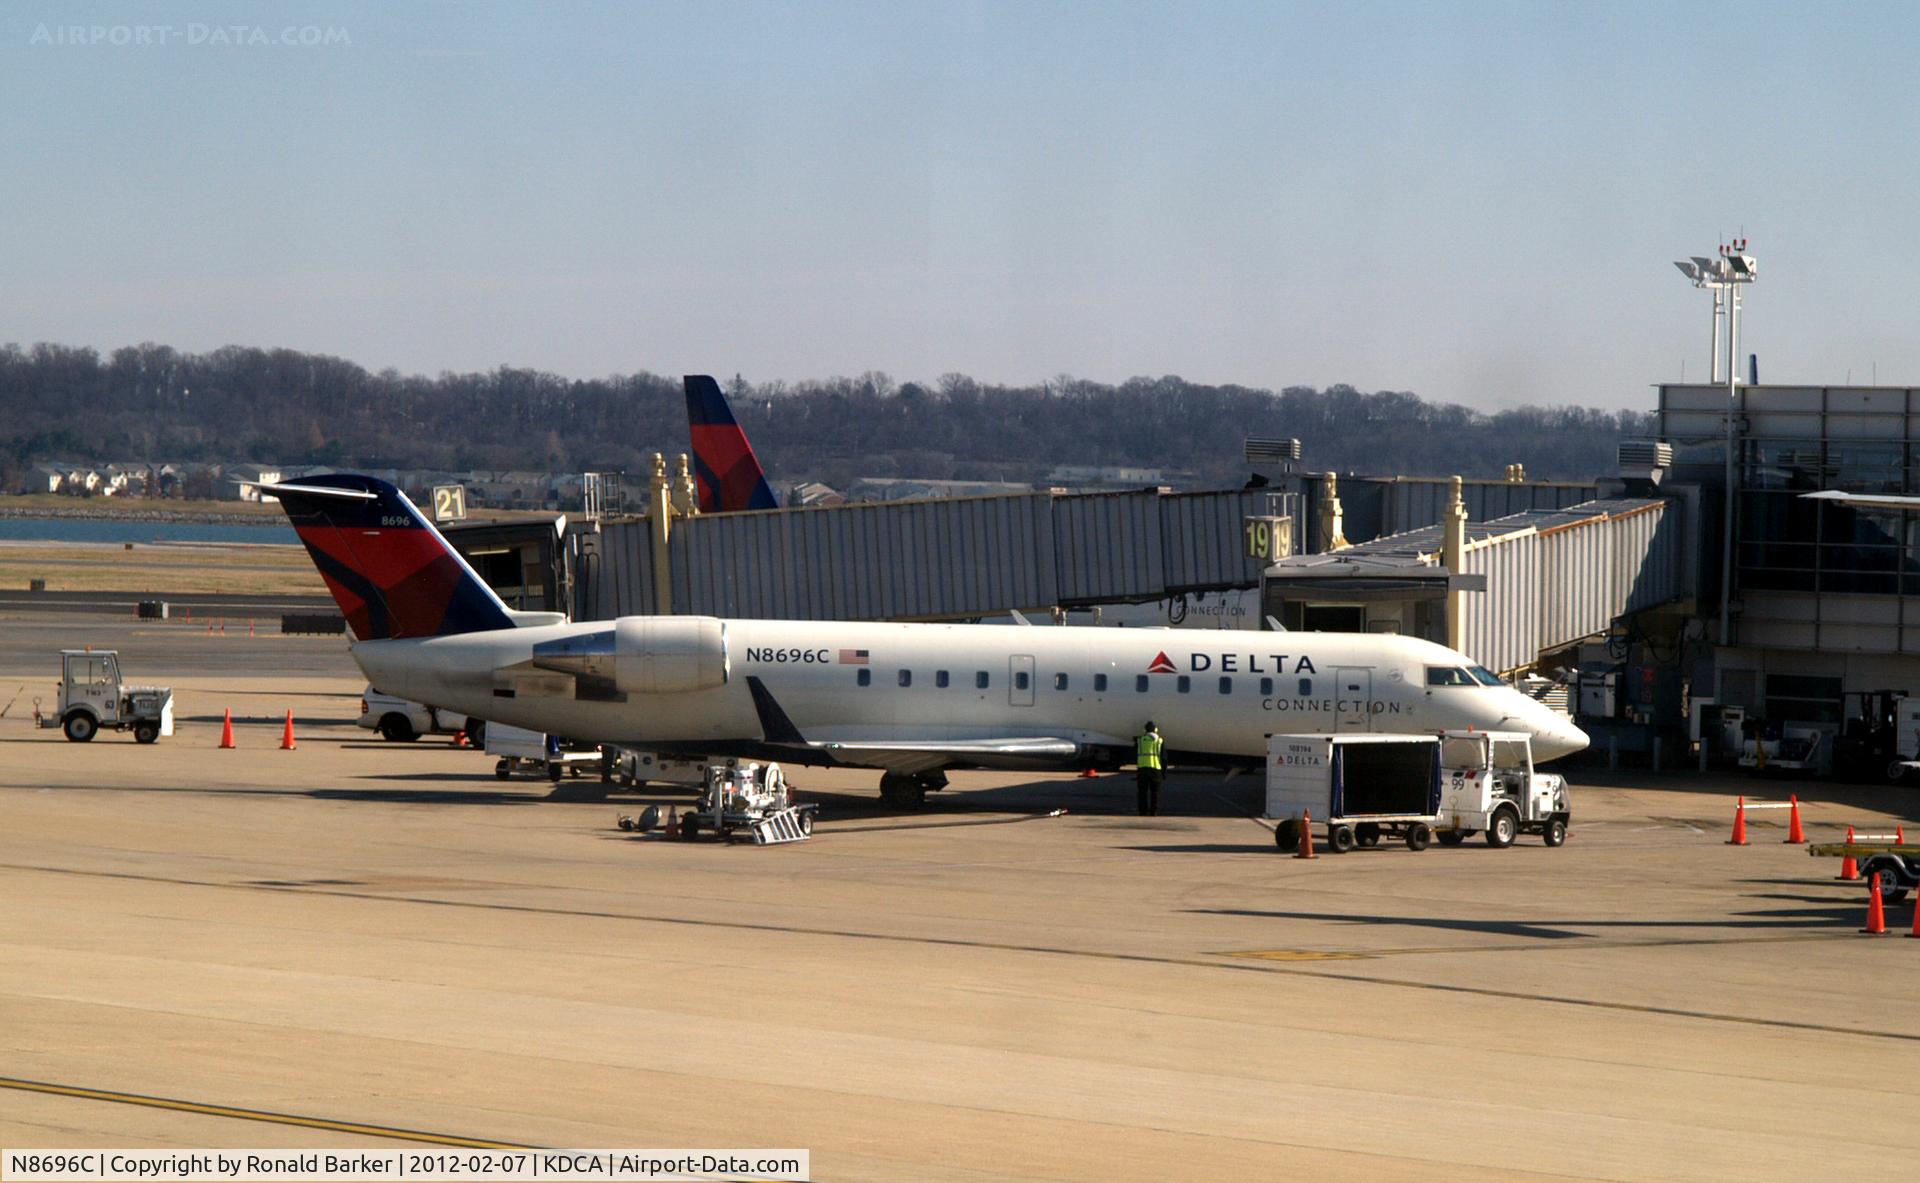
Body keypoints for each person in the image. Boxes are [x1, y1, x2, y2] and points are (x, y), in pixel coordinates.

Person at [1135, 721, 1165, 816]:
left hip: (1142, 769)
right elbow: (1164, 758)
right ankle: (1154, 811)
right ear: (1156, 730)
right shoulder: (1159, 741)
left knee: (1142, 792)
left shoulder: (1140, 740)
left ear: (1144, 730)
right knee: (1155, 792)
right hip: (1155, 770)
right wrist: (1164, 772)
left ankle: (1142, 811)